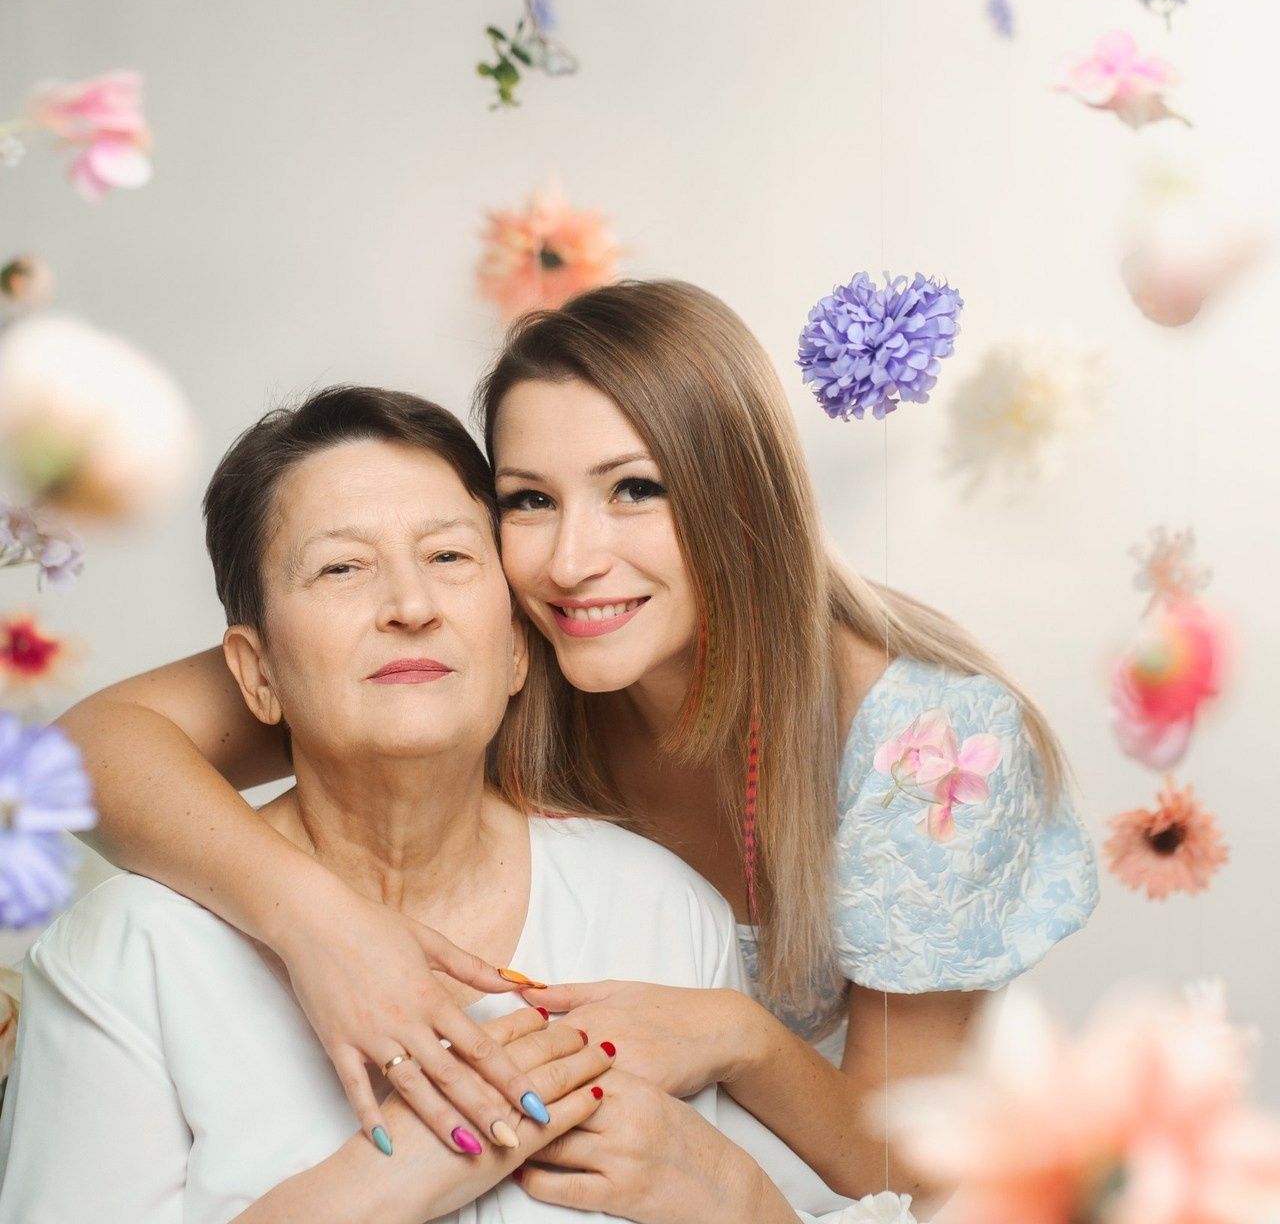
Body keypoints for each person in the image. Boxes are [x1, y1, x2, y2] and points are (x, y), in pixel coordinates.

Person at [58, 282, 1099, 1199]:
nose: (570, 559)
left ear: (742, 501)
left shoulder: (927, 749)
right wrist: (323, 925)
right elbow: (88, 752)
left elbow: (894, 1166)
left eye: (633, 488)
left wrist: (732, 1037)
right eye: (528, 501)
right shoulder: (508, 647)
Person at [0, 387, 856, 1224]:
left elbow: (888, 1195)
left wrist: (739, 1201)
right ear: (256, 673)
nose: (410, 607)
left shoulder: (668, 916)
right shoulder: (126, 959)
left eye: (449, 557)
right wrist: (392, 1180)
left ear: (519, 650)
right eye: (341, 567)